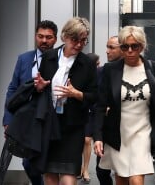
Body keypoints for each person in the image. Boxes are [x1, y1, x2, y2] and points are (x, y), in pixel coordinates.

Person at [93, 26, 155, 185]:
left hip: (142, 133)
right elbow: (100, 106)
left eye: (135, 46)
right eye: (125, 46)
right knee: (122, 179)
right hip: (118, 134)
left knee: (136, 180)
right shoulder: (110, 70)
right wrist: (98, 137)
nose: (130, 50)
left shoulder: (154, 69)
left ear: (142, 46)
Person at [33, 17, 97, 185]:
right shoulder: (49, 57)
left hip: (73, 127)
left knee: (69, 177)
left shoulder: (87, 64)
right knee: (50, 174)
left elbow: (95, 96)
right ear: (65, 37)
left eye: (83, 40)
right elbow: (39, 90)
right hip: (49, 123)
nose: (79, 44)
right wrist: (39, 87)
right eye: (75, 39)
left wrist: (77, 94)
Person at [3, 20, 58, 185]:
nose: (44, 41)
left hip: (52, 119)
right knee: (28, 162)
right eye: (40, 36)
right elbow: (13, 89)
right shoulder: (24, 59)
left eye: (49, 37)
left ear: (55, 39)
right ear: (35, 37)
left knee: (50, 162)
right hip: (28, 119)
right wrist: (7, 119)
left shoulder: (61, 61)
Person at [95, 35, 123, 185]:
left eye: (111, 47)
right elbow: (96, 99)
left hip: (127, 130)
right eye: (107, 47)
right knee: (101, 170)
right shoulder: (102, 71)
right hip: (107, 129)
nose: (107, 51)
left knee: (124, 171)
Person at [77, 52, 101, 183]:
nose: (98, 66)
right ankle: (79, 166)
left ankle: (85, 168)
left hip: (94, 111)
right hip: (81, 110)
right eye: (96, 64)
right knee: (79, 140)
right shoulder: (82, 73)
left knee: (87, 140)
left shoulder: (100, 74)